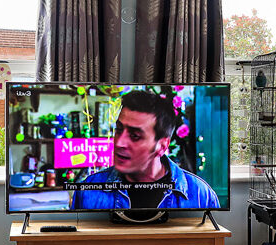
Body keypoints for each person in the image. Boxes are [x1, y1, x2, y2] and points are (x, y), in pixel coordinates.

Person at [71, 90, 220, 211]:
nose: (119, 143)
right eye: (119, 129)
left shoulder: (201, 195)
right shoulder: (88, 191)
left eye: (135, 136)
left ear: (162, 146)